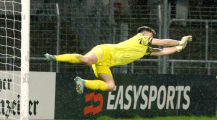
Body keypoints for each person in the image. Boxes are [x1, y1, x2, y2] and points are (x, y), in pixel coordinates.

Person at [45, 26, 192, 94]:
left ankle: (82, 82)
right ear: (146, 34)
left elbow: (163, 51)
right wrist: (179, 41)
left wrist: (180, 47)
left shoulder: (145, 49)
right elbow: (165, 43)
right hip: (104, 51)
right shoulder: (141, 38)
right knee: (86, 60)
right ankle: (54, 57)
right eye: (151, 35)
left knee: (110, 86)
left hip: (106, 63)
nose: (152, 37)